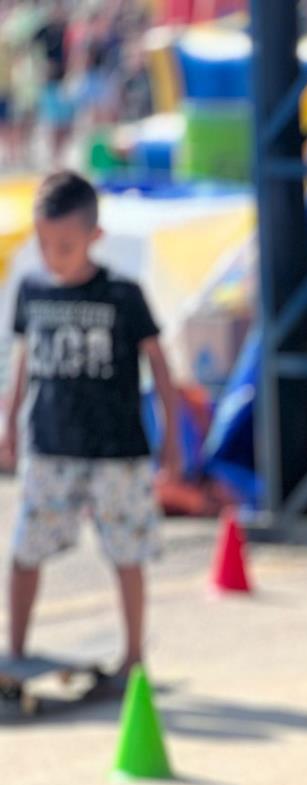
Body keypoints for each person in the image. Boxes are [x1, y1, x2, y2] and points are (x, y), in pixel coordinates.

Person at [3, 170, 181, 681]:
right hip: (51, 443)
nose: (50, 253)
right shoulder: (32, 290)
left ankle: (133, 655)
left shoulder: (123, 294)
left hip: (116, 449)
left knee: (127, 553)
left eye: (64, 244)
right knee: (25, 549)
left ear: (93, 237)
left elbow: (161, 369)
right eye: (42, 241)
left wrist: (170, 440)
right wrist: (9, 421)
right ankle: (16, 648)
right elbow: (23, 360)